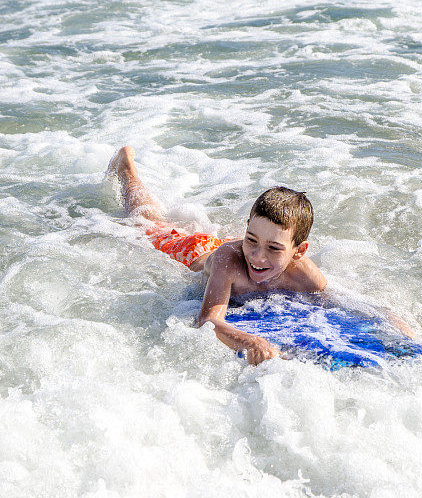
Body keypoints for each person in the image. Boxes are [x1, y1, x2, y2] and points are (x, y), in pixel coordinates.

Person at [107, 146, 327, 365]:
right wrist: (251, 342)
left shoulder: (304, 275)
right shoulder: (229, 263)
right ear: (247, 228)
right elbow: (207, 321)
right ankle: (126, 170)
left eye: (274, 248)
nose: (258, 257)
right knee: (148, 223)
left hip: (225, 246)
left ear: (299, 252)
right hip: (193, 251)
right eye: (251, 239)